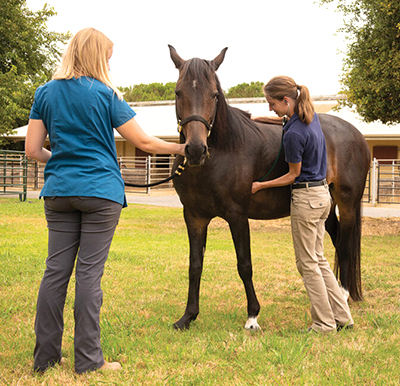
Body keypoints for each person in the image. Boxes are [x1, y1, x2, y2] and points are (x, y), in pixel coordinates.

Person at [25, 27, 185, 373]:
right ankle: (87, 361)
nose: (109, 64)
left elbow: (32, 150)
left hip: (59, 191)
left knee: (55, 273)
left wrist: (65, 161)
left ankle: (45, 359)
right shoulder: (106, 95)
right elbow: (145, 143)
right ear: (98, 56)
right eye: (108, 58)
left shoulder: (45, 93)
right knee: (88, 276)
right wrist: (183, 147)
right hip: (101, 192)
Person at [251, 76, 353, 333]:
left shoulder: (294, 135)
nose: (270, 108)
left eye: (272, 103)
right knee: (319, 259)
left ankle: (324, 323)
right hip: (322, 198)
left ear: (286, 100)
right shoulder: (310, 118)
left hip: (306, 200)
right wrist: (258, 121)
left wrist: (260, 186)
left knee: (307, 263)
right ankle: (343, 317)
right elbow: (284, 122)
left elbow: (291, 175)